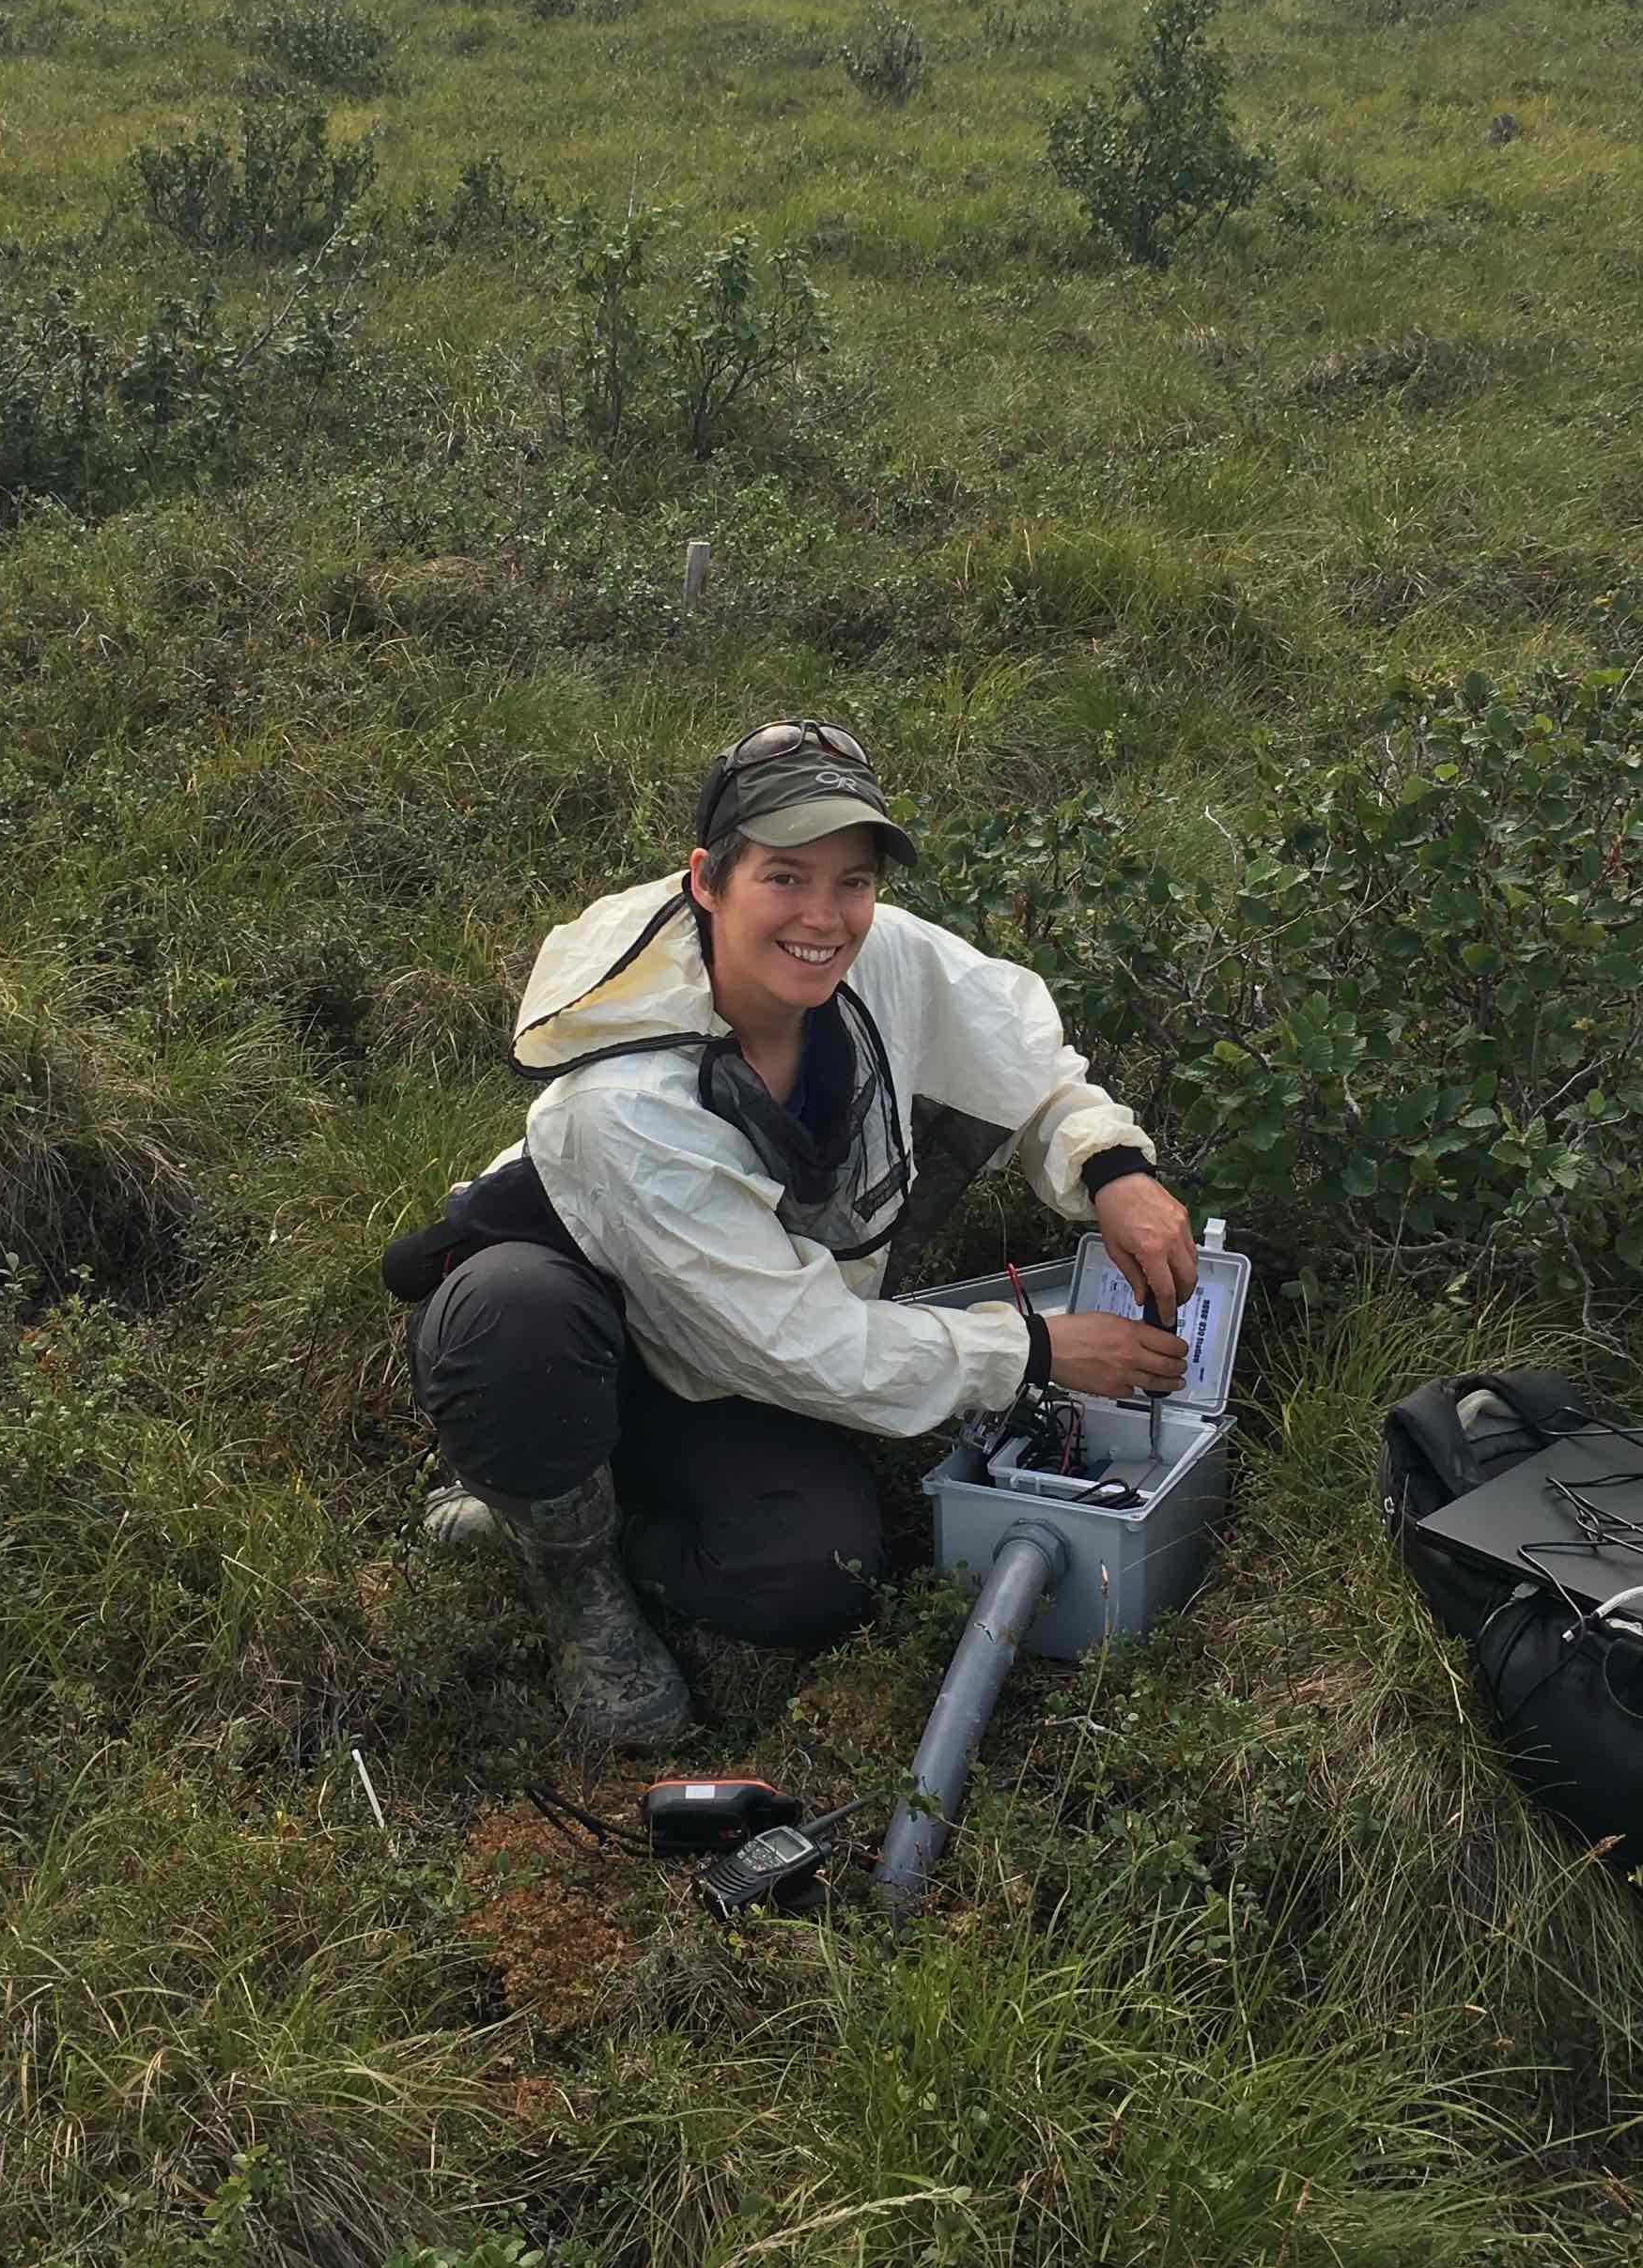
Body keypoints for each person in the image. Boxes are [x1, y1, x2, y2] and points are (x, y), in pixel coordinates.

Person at [390, 717, 1196, 1745]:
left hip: (723, 1351)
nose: (825, 916)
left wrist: (1110, 1166)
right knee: (511, 1319)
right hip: (587, 1329)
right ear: (706, 880)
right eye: (784, 876)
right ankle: (569, 1568)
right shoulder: (629, 1101)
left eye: (852, 880)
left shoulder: (877, 957)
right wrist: (1033, 1349)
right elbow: (795, 1341)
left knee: (813, 1575)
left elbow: (1020, 1051)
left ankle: (586, 1509)